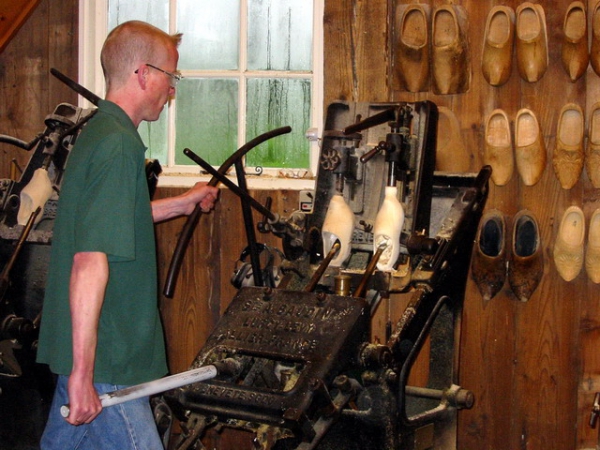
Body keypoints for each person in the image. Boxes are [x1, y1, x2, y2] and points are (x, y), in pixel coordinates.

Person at [36, 20, 219, 449]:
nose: (171, 90)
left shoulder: (100, 132)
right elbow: (89, 261)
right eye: (170, 78)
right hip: (106, 360)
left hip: (95, 356)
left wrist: (182, 202)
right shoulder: (118, 145)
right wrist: (84, 375)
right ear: (144, 74)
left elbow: (115, 221)